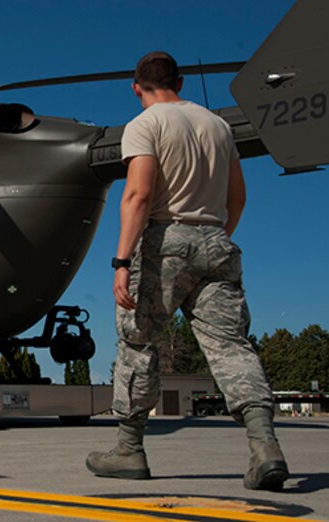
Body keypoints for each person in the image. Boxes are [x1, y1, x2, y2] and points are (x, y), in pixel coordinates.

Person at [86, 51, 289, 491]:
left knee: (139, 342)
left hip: (164, 242)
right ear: (179, 81)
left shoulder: (145, 124)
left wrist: (121, 262)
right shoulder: (218, 126)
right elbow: (239, 197)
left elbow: (138, 195)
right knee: (231, 346)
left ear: (136, 88)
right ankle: (265, 447)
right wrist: (213, 239)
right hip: (218, 241)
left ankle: (128, 450)